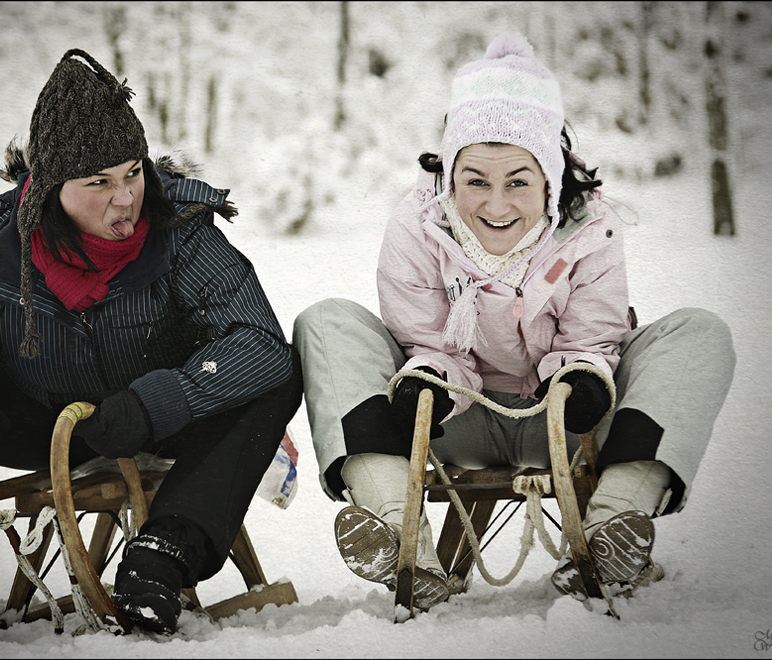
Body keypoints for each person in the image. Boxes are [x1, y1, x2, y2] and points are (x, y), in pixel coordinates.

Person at [0, 49, 302, 636]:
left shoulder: (179, 233)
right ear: (50, 189)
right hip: (41, 414)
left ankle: (164, 554)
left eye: (133, 172)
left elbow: (258, 344)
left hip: (159, 415)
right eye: (98, 183)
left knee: (277, 371)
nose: (126, 198)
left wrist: (156, 403)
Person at [292, 35, 735, 611]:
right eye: (475, 180)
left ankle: (613, 526)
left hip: (573, 424)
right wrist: (431, 380)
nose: (495, 207)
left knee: (699, 331)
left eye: (517, 182)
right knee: (325, 321)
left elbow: (594, 338)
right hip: (454, 420)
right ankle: (399, 539)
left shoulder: (589, 227)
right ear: (450, 174)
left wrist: (581, 378)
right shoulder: (417, 225)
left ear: (550, 178)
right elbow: (425, 339)